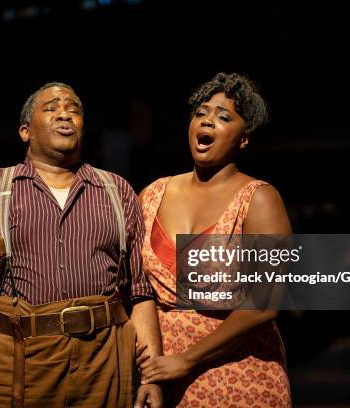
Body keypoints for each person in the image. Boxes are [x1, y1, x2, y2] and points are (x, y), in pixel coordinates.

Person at [0, 82, 163, 407]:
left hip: (102, 361)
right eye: (52, 108)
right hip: (19, 360)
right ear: (24, 131)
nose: (65, 114)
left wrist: (150, 378)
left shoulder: (116, 191)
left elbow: (140, 293)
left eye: (74, 109)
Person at [136, 73, 292, 407]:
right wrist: (152, 368)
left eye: (224, 117)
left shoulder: (258, 199)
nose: (208, 120)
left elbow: (265, 302)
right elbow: (136, 290)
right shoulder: (153, 193)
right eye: (201, 113)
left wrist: (188, 359)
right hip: (161, 376)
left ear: (243, 138)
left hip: (237, 375)